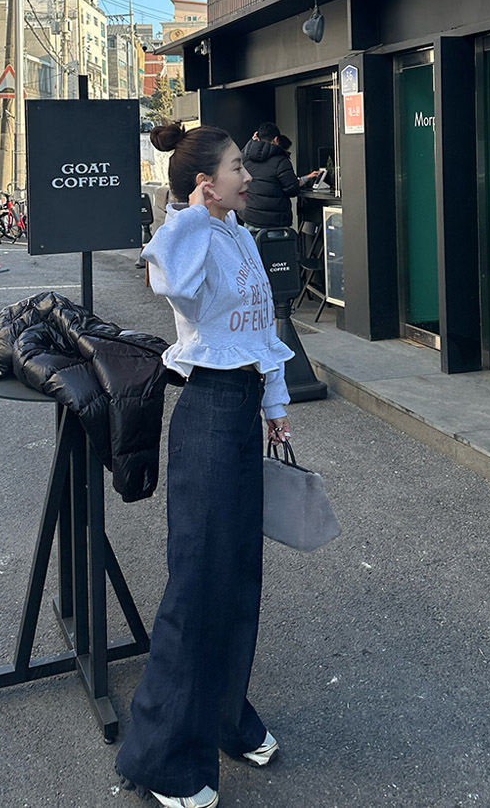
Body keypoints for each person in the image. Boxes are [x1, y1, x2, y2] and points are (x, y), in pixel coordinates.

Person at [115, 122, 294, 808]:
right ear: (205, 184)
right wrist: (188, 212)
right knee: (196, 585)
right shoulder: (188, 238)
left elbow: (262, 325)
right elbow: (170, 277)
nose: (248, 177)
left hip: (242, 409)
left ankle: (225, 718)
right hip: (208, 414)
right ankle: (164, 758)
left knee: (238, 576)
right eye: (236, 168)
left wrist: (274, 402)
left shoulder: (238, 232)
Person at [241, 121, 319, 235]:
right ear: (276, 139)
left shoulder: (246, 158)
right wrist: (304, 180)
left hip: (249, 219)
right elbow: (292, 190)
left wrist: (251, 142)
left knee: (250, 247)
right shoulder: (281, 161)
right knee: (274, 247)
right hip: (273, 224)